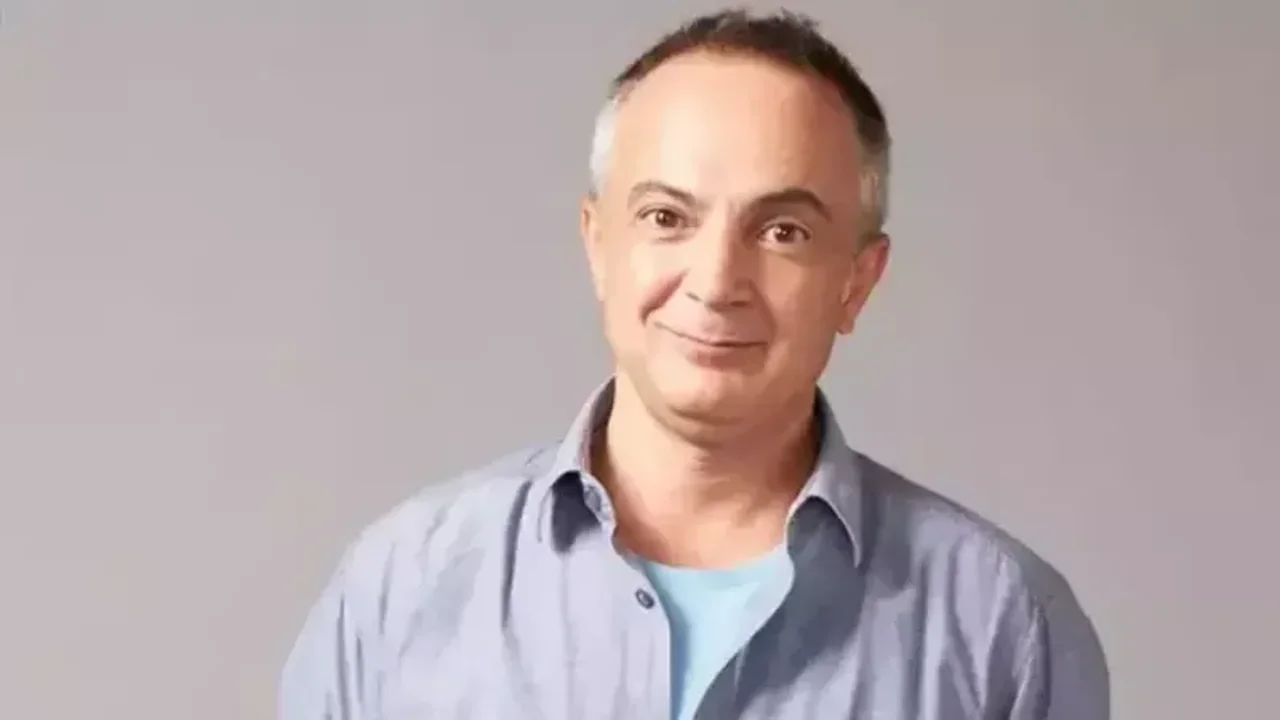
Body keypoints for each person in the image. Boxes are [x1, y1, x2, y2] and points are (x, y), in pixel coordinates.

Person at [279, 9, 1109, 720]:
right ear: (598, 245)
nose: (716, 282)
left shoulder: (1004, 628)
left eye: (782, 231)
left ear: (857, 282)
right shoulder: (400, 589)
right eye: (667, 217)